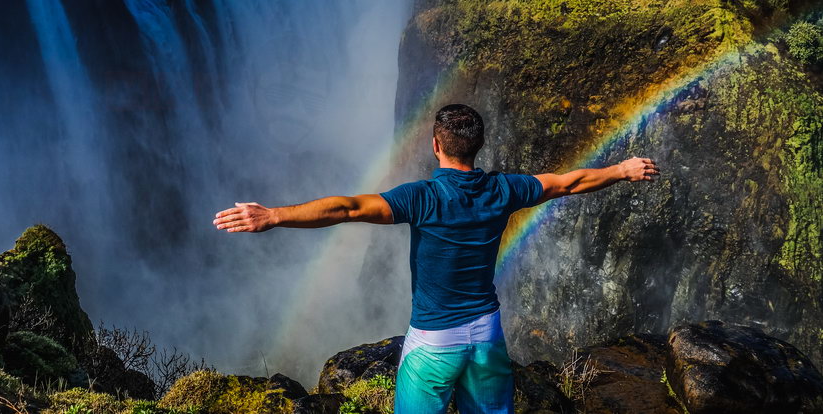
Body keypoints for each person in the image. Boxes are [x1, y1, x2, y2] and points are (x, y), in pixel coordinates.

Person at [213, 104, 659, 414]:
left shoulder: (423, 198)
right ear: (477, 145)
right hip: (486, 335)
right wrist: (622, 170)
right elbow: (567, 182)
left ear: (435, 145)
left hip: (433, 343)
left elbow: (347, 208)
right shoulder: (504, 190)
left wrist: (273, 216)